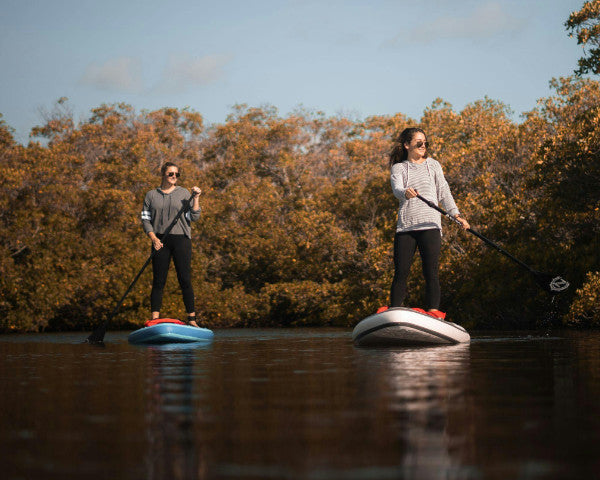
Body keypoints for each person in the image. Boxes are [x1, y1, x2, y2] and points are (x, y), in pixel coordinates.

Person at [387, 127, 469, 318]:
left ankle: (433, 312)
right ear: (407, 145)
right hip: (406, 227)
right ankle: (394, 312)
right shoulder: (399, 168)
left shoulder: (433, 165)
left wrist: (456, 215)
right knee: (401, 272)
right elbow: (397, 189)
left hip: (430, 225)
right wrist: (405, 192)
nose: (423, 146)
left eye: (425, 142)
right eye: (419, 143)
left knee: (430, 272)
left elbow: (444, 192)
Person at [141, 162, 202, 326]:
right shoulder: (151, 195)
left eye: (176, 174)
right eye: (171, 174)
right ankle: (154, 319)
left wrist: (196, 199)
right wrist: (154, 238)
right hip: (159, 240)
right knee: (159, 280)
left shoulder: (183, 193)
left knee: (184, 279)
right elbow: (145, 219)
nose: (174, 176)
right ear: (163, 174)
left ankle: (192, 319)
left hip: (181, 239)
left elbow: (194, 217)